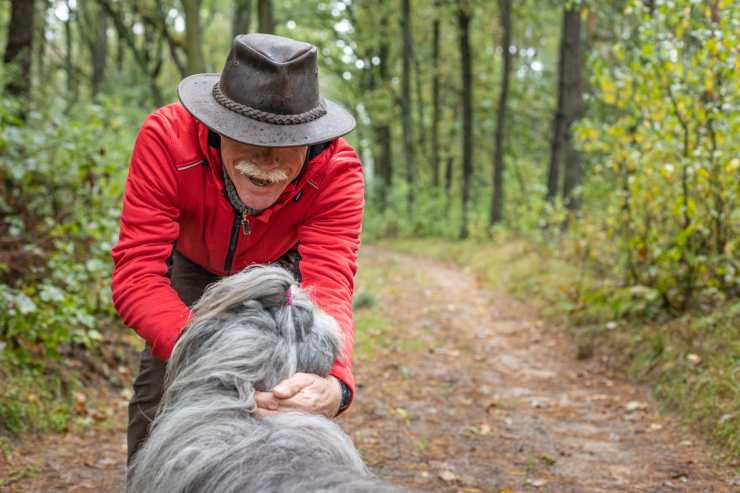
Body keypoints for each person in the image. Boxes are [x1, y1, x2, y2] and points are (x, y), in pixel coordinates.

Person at [110, 33, 362, 465]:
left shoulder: (337, 173)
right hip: (190, 264)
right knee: (162, 387)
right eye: (247, 135)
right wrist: (211, 352)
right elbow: (137, 272)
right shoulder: (167, 138)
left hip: (278, 270)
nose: (265, 161)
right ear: (215, 125)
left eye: (285, 143)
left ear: (311, 137)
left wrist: (335, 385)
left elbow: (329, 286)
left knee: (291, 391)